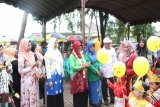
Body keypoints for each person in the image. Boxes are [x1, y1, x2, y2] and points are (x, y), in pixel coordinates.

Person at [18, 38, 39, 107]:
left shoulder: (32, 54)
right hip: (26, 81)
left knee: (33, 97)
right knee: (27, 97)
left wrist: (37, 72)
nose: (29, 47)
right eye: (28, 45)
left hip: (33, 79)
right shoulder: (21, 56)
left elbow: (35, 65)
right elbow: (20, 71)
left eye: (30, 45)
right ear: (23, 45)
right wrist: (31, 68)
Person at [69, 41, 90, 107]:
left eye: (80, 48)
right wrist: (83, 66)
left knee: (84, 94)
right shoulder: (72, 56)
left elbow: (84, 62)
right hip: (76, 79)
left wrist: (87, 64)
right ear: (75, 47)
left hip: (83, 78)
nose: (79, 49)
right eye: (78, 48)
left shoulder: (81, 55)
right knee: (78, 95)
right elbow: (73, 67)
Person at [44, 38, 64, 107]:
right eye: (55, 43)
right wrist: (49, 80)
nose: (56, 45)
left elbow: (61, 65)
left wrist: (62, 76)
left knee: (59, 95)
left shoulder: (58, 52)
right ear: (51, 43)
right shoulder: (48, 54)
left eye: (57, 43)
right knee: (52, 95)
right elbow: (47, 68)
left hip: (59, 77)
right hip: (52, 78)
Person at [85, 40, 102, 107]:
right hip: (92, 75)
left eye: (93, 46)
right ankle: (94, 102)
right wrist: (96, 71)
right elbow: (90, 66)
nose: (92, 48)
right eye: (91, 46)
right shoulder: (86, 55)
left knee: (97, 89)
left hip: (98, 74)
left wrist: (100, 69)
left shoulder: (95, 53)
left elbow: (98, 62)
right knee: (93, 89)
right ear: (88, 47)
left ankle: (97, 100)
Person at [100, 37, 117, 106]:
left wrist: (116, 69)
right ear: (104, 44)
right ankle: (105, 99)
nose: (109, 45)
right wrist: (101, 70)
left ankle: (112, 99)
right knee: (104, 87)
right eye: (107, 44)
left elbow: (115, 60)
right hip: (104, 72)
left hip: (112, 71)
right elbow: (100, 62)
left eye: (109, 43)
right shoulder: (101, 51)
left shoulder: (113, 50)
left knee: (112, 87)